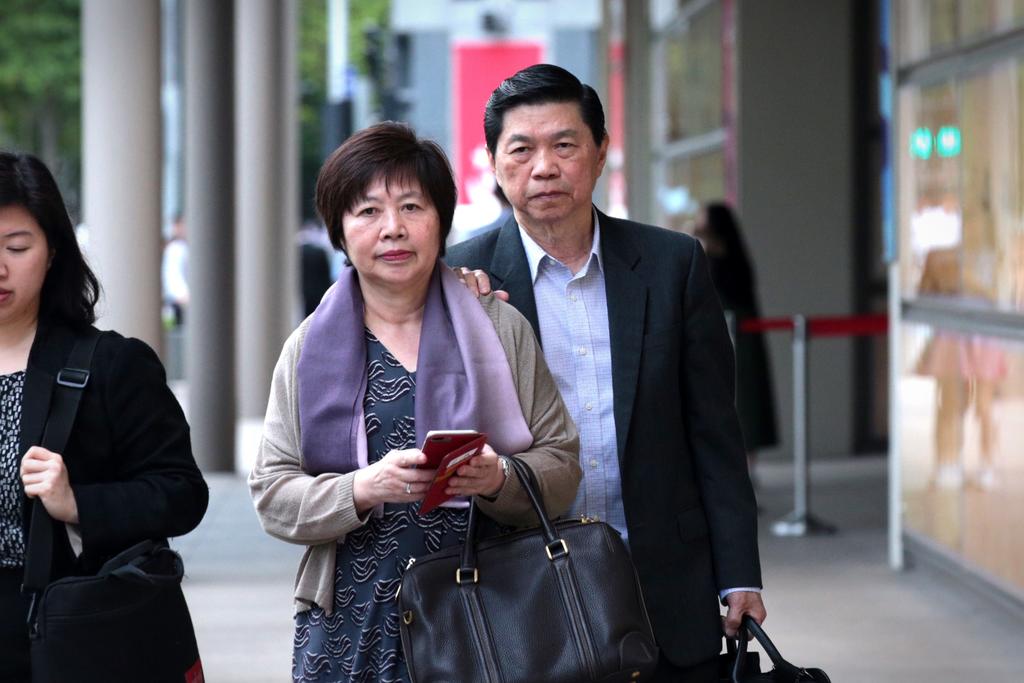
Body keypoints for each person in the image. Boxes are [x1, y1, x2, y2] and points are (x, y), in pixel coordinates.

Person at [445, 64, 765, 683]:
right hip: (524, 588)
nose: (544, 167)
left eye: (564, 145)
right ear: (493, 162)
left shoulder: (673, 265)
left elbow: (716, 436)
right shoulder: (460, 280)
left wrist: (739, 574)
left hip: (666, 585)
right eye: (522, 149)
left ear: (600, 154)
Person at [248, 122, 581, 683]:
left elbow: (563, 463)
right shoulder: (308, 347)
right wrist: (361, 487)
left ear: (441, 221)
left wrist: (497, 477)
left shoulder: (498, 326)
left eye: (411, 207)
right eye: (368, 212)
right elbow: (273, 492)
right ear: (339, 230)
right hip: (352, 626)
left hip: (490, 619)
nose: (393, 229)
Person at [0, 152, 209, 679]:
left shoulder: (111, 365)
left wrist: (78, 504)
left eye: (16, 247)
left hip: (71, 640)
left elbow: (182, 492)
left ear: (51, 254)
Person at [694, 202, 779, 480]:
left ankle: (742, 471)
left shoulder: (718, 257)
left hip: (737, 337)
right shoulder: (731, 255)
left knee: (742, 402)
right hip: (738, 336)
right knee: (740, 402)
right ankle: (743, 471)